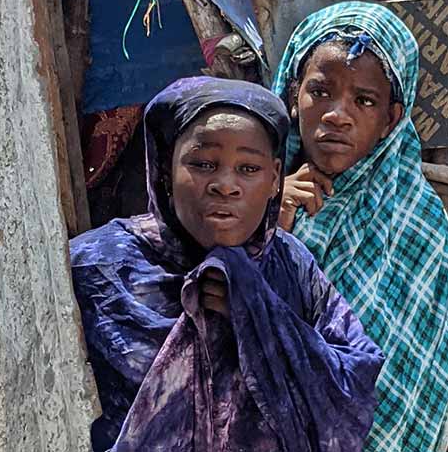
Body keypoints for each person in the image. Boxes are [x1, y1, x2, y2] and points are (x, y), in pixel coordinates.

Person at [70, 76, 384, 452]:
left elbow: (353, 387)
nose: (225, 185)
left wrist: (258, 314)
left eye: (248, 169)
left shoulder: (290, 264)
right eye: (203, 164)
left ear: (274, 178)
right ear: (166, 168)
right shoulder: (97, 268)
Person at [270, 2, 448, 452]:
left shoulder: (426, 237)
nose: (337, 115)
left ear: (390, 120)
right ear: (292, 95)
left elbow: (397, 398)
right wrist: (270, 222)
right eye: (320, 91)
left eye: (364, 101)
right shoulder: (247, 195)